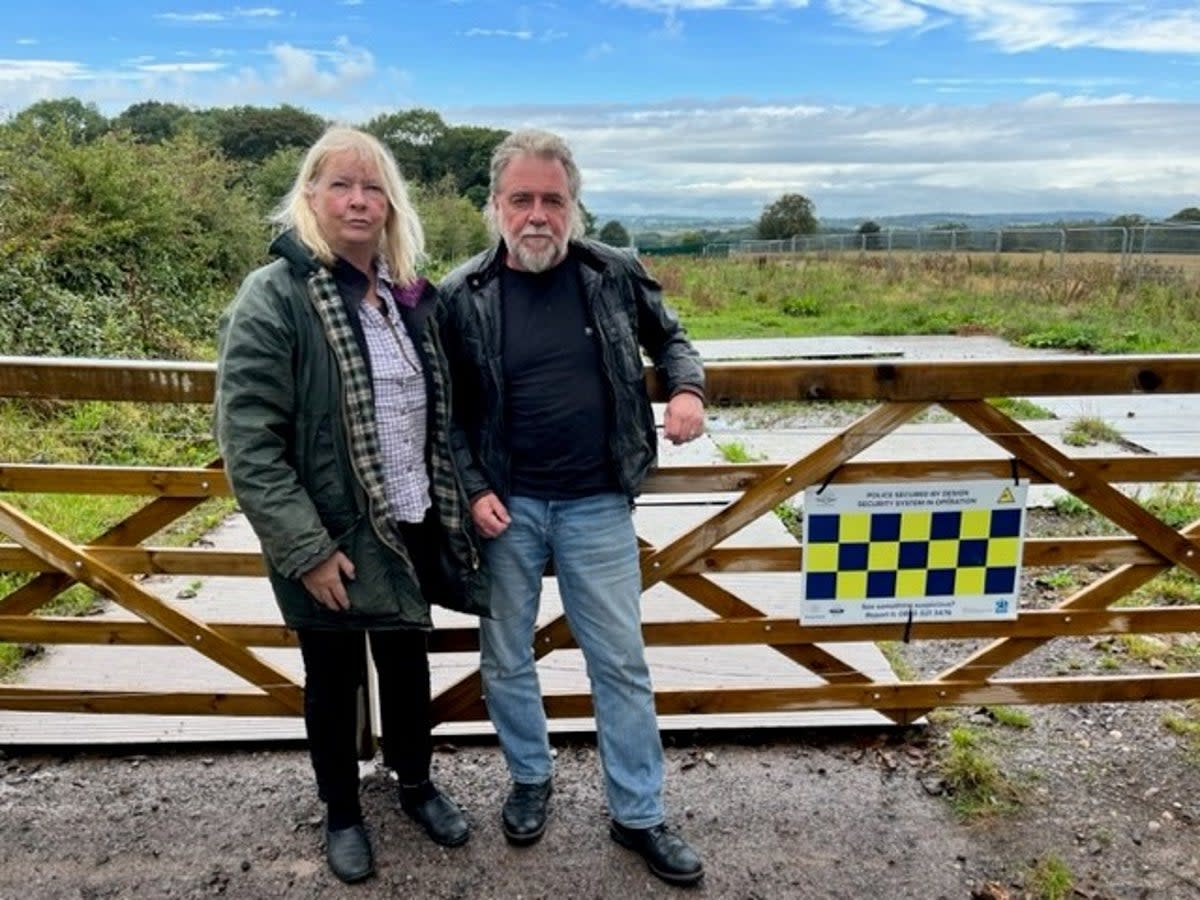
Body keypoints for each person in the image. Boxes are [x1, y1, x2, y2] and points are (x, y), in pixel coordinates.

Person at [214, 126, 490, 884]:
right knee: (331, 675)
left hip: (408, 518)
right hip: (329, 529)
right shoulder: (273, 297)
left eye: (374, 188)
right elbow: (249, 442)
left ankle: (415, 784)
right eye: (341, 185)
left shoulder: (404, 296)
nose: (359, 200)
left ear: (392, 203)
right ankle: (341, 812)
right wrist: (303, 548)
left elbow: (442, 406)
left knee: (407, 665)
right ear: (310, 197)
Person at [439, 128, 707, 887]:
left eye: (552, 200)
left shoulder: (613, 272)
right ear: (494, 206)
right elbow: (447, 411)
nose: (536, 215)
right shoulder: (463, 294)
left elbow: (674, 340)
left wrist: (687, 389)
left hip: (596, 502)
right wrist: (474, 488)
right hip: (508, 506)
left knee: (619, 663)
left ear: (573, 206)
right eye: (520, 199)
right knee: (506, 655)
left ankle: (639, 812)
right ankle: (530, 778)